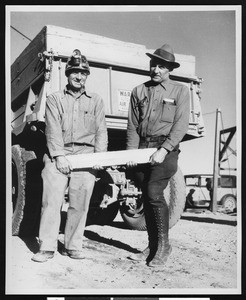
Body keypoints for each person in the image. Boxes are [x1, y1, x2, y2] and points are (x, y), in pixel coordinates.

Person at [32, 49, 108, 262]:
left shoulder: (96, 101)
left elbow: (101, 131)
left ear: (87, 76)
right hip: (59, 155)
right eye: (75, 72)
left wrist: (98, 159)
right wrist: (58, 156)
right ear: (67, 74)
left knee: (80, 203)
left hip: (85, 155)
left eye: (83, 73)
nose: (79, 76)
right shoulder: (54, 99)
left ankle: (72, 245)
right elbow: (52, 129)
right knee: (51, 201)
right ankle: (47, 246)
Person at [126, 44, 190, 268]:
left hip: (166, 150)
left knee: (154, 192)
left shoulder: (180, 91)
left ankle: (163, 246)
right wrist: (132, 153)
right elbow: (133, 125)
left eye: (161, 66)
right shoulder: (139, 91)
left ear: (169, 69)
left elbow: (181, 125)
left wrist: (164, 150)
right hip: (142, 150)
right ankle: (152, 246)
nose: (156, 69)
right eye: (154, 64)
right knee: (147, 195)